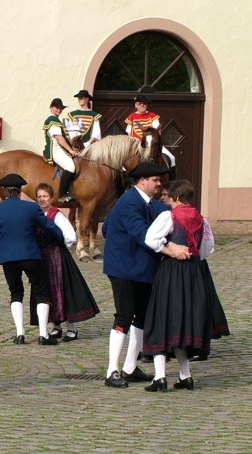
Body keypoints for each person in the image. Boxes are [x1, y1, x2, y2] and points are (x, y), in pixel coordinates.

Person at [101, 161, 191, 388]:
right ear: (142, 181)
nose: (159, 183)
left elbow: (107, 227)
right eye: (155, 180)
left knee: (141, 317)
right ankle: (112, 370)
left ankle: (130, 367)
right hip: (124, 268)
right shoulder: (130, 202)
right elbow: (142, 234)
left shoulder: (149, 202)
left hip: (143, 268)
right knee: (124, 316)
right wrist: (173, 250)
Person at [141, 179, 229, 391]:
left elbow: (151, 239)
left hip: (173, 271)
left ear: (177, 198)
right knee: (183, 322)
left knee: (163, 319)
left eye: (170, 197)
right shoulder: (202, 220)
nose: (169, 201)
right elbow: (207, 249)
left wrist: (170, 249)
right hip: (196, 274)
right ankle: (185, 376)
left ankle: (160, 377)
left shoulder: (168, 216)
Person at [0, 173, 64, 345]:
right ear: (20, 190)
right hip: (31, 255)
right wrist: (60, 239)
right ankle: (43, 334)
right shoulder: (31, 208)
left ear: (5, 191)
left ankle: (20, 334)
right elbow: (49, 227)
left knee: (16, 292)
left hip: (8, 258)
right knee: (41, 292)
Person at [30, 183, 99, 341]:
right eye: (39, 196)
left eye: (45, 196)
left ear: (51, 198)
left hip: (56, 256)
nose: (42, 199)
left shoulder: (56, 215)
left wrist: (57, 247)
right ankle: (56, 326)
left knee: (61, 291)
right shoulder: (35, 214)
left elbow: (70, 236)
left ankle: (71, 328)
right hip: (41, 258)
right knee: (46, 293)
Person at [42, 98, 79, 203]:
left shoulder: (55, 120)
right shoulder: (52, 120)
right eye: (56, 107)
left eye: (60, 108)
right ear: (51, 108)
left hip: (59, 148)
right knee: (71, 167)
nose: (59, 110)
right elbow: (59, 138)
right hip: (55, 150)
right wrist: (70, 151)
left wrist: (71, 148)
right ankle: (62, 194)